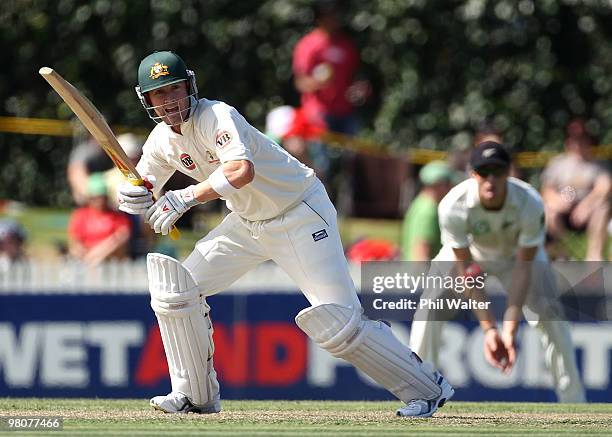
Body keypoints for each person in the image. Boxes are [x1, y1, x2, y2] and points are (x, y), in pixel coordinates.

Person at [117, 50, 453, 417]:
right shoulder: (160, 140)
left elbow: (240, 170)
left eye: (176, 89)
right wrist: (133, 194)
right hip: (246, 223)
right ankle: (195, 395)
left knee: (339, 324)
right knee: (176, 291)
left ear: (190, 87)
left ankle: (426, 387)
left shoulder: (216, 115)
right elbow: (144, 184)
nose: (170, 101)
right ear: (146, 99)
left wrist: (185, 197)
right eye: (160, 94)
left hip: (298, 214)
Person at [409, 142, 586, 403]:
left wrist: (509, 331)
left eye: (498, 171)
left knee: (551, 315)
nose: (491, 179)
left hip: (518, 258)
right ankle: (419, 393)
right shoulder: (452, 205)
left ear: (508, 173)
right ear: (473, 174)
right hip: (472, 255)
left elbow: (524, 269)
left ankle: (574, 401)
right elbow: (468, 269)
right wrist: (490, 329)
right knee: (430, 304)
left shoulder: (529, 202)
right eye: (484, 171)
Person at [540, 120, 611, 261]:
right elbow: (546, 190)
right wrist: (558, 201)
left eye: (582, 139)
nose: (578, 143)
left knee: (602, 209)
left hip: (589, 213)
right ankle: (563, 255)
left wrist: (586, 206)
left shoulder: (598, 164)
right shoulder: (558, 163)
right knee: (548, 211)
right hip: (564, 213)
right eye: (574, 139)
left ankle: (594, 258)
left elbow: (604, 187)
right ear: (568, 141)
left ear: (589, 141)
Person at [68, 173, 131, 266]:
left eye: (102, 197)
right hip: (86, 259)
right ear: (90, 198)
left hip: (111, 261)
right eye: (95, 198)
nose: (99, 201)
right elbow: (75, 243)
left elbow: (121, 238)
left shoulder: (118, 217)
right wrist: (84, 254)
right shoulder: (81, 215)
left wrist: (97, 254)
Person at [402, 161, 455, 261]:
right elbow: (420, 252)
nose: (452, 187)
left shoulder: (420, 202)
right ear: (439, 184)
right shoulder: (429, 211)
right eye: (448, 183)